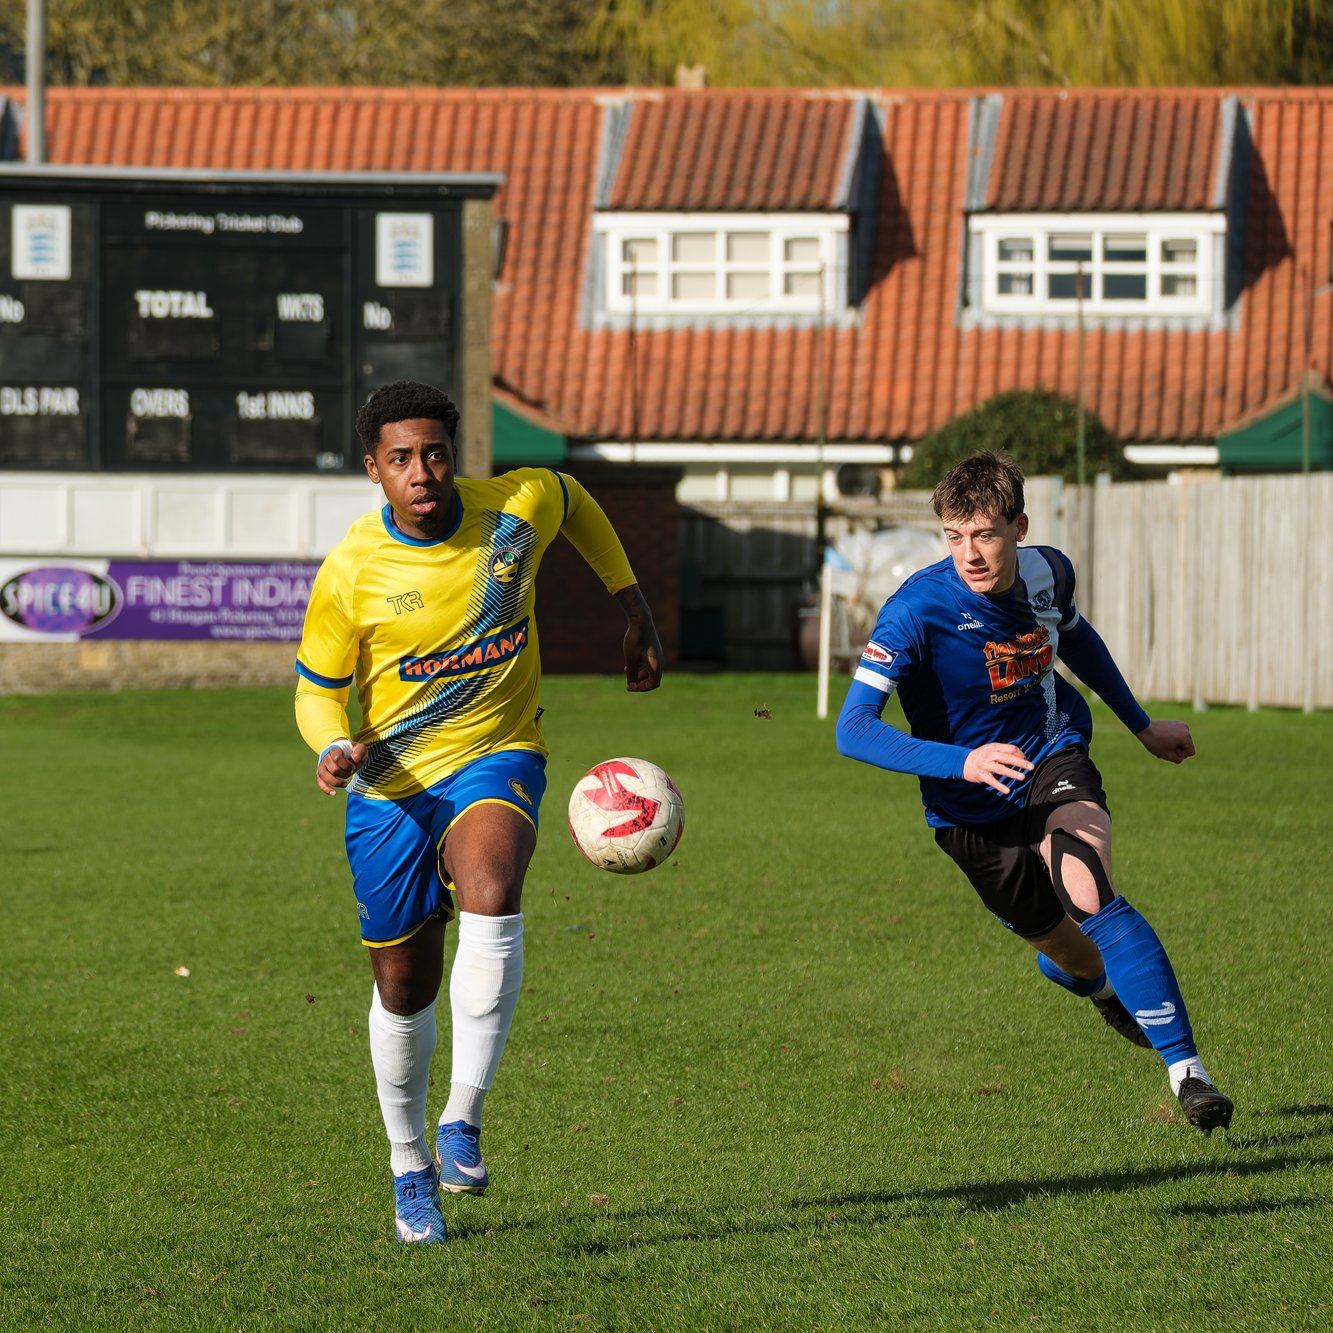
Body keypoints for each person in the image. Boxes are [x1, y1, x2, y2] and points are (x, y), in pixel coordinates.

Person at [294, 379, 663, 1244]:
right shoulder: (352, 569)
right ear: (373, 470)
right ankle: (408, 1164)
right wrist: (331, 743)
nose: (421, 471)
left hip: (498, 752)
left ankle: (462, 1115)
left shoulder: (514, 510)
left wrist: (632, 604)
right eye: (400, 459)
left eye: (434, 453)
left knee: (492, 890)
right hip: (390, 785)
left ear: (453, 455)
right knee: (403, 987)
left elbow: (574, 500)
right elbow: (316, 690)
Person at [835, 451, 1233, 1136]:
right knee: (1072, 957)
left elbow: (1076, 638)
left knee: (1087, 884)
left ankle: (1188, 1074)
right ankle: (1099, 987)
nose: (970, 553)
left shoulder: (1050, 572)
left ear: (1018, 527)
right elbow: (853, 729)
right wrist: (962, 762)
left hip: (1052, 756)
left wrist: (1140, 724)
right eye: (954, 536)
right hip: (965, 812)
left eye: (984, 534)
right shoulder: (913, 612)